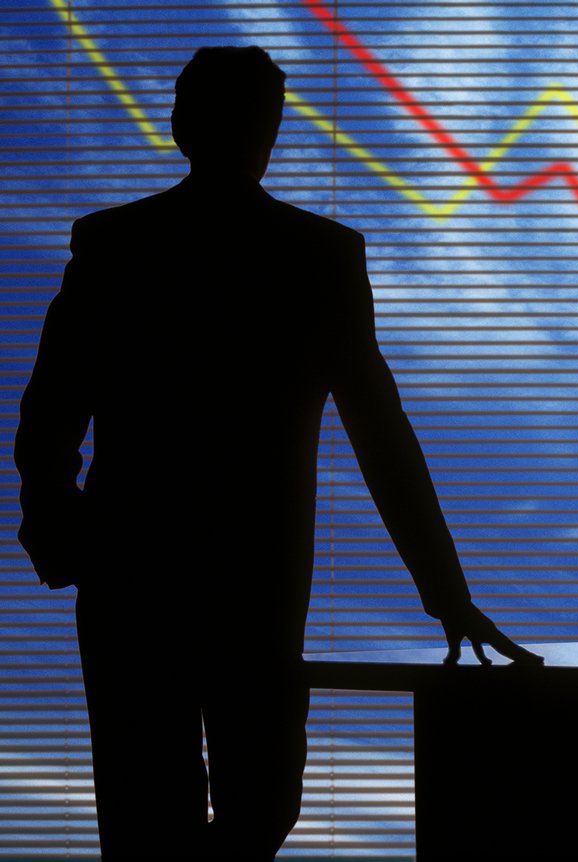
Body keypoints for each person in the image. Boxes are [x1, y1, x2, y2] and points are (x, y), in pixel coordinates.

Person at [13, 46, 541, 860]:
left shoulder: (122, 247)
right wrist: (445, 592)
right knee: (239, 806)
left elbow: (51, 416)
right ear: (271, 131)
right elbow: (381, 434)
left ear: (181, 123)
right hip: (230, 583)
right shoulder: (314, 257)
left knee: (169, 812)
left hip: (143, 579)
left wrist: (62, 527)